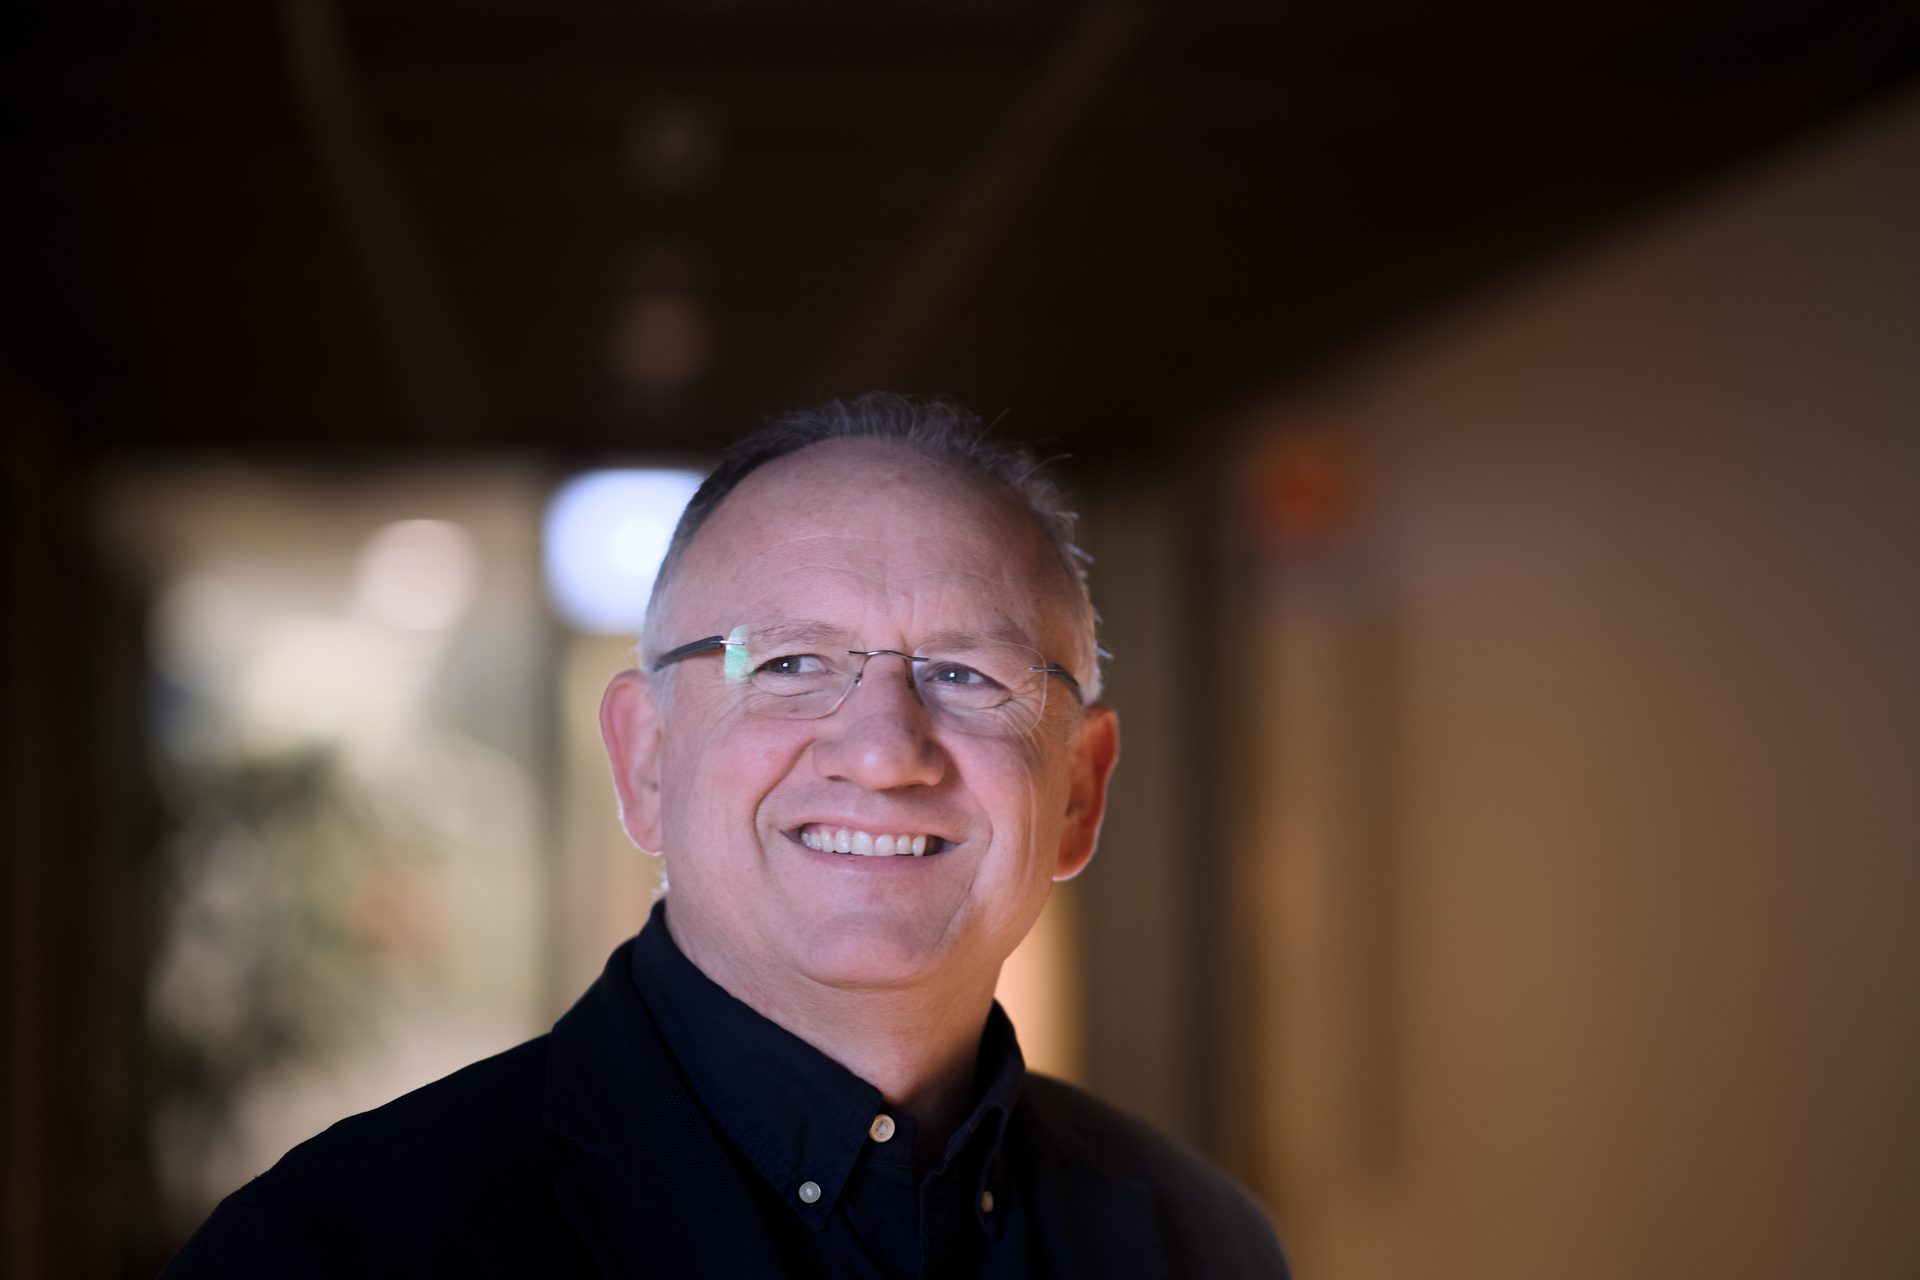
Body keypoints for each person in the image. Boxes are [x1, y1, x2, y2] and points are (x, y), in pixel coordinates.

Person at [161, 394, 1289, 1277]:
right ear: (645, 758)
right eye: (791, 661)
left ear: (1080, 795)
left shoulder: (1203, 1244)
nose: (886, 749)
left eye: (965, 673)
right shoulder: (340, 1251)